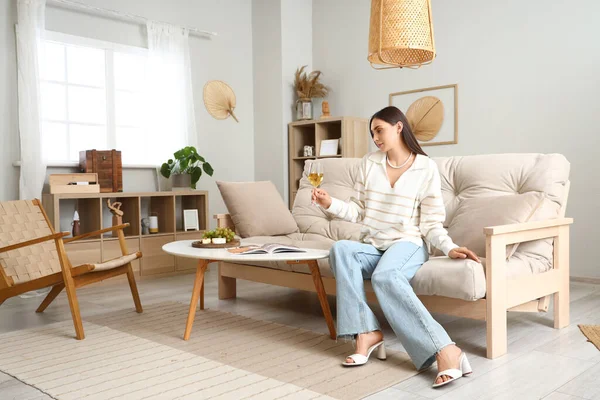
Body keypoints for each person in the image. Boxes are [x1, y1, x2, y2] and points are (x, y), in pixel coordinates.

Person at [311, 106, 480, 388]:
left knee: (385, 275)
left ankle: (446, 350)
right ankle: (365, 332)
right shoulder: (370, 163)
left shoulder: (425, 168)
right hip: (375, 244)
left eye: (380, 130)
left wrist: (449, 247)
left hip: (408, 243)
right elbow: (358, 211)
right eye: (372, 133)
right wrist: (330, 204)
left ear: (399, 127)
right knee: (340, 249)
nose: (375, 137)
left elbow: (431, 223)